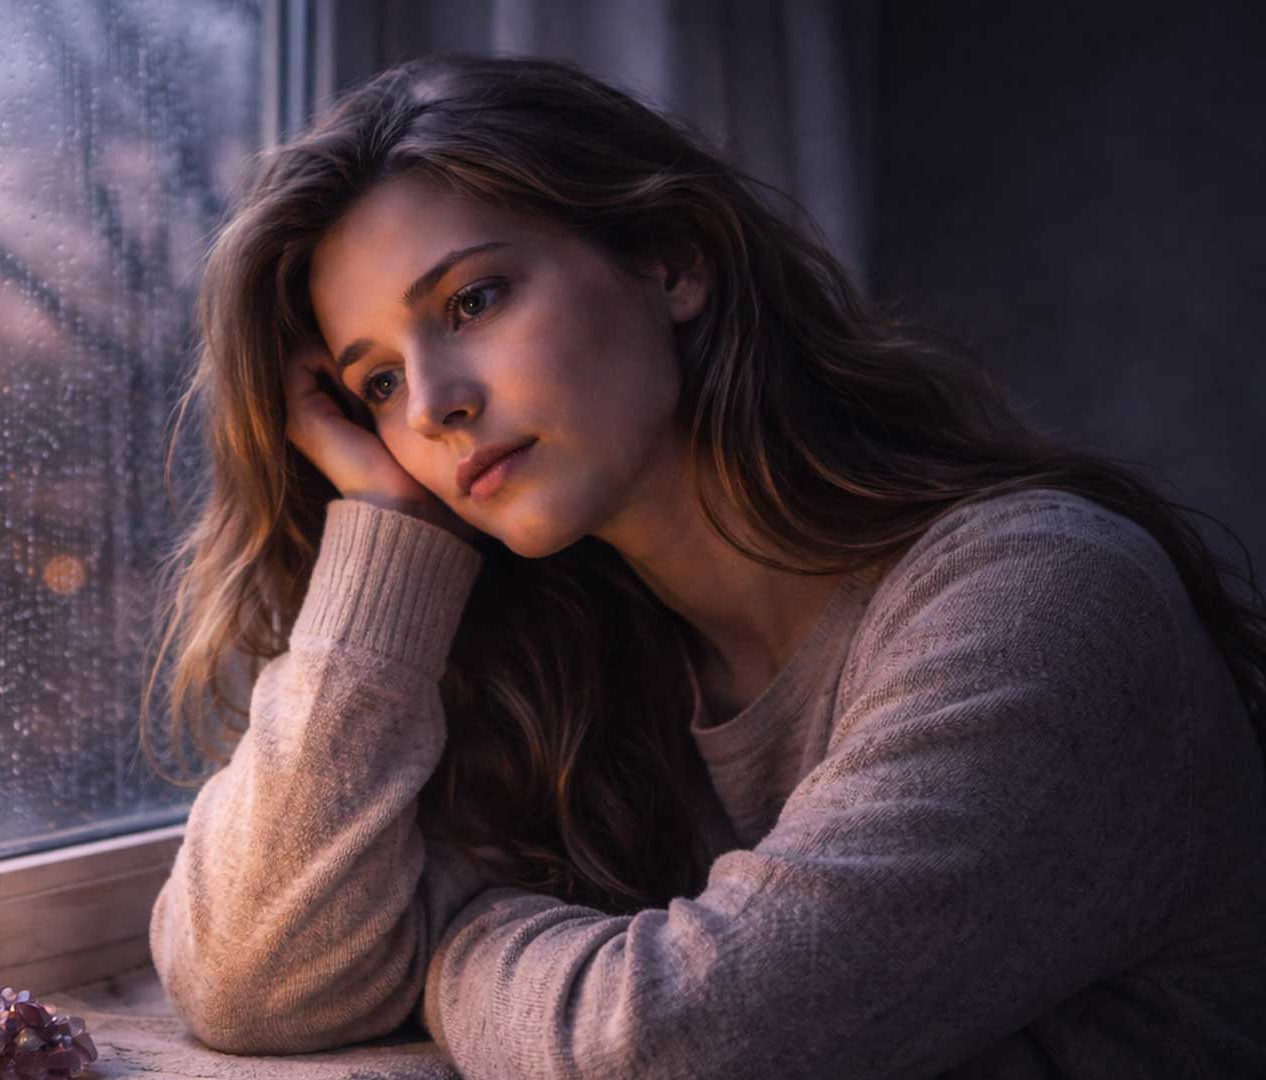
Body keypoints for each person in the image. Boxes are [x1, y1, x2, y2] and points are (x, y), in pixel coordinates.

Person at [138, 53, 1266, 1078]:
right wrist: (390, 536)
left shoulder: (1042, 604)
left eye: (473, 301)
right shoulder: (572, 664)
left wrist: (459, 940)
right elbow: (254, 976)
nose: (434, 405)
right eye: (376, 382)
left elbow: (676, 1045)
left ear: (669, 261)